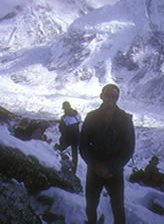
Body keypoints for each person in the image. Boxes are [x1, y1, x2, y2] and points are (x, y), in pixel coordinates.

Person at [80, 84, 135, 224]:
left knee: (118, 208)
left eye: (114, 96)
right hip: (94, 170)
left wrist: (110, 167)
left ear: (117, 98)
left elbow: (128, 148)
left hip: (114, 171)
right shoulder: (91, 117)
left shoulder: (124, 119)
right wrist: (96, 165)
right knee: (91, 206)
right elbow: (84, 145)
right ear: (101, 96)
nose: (111, 98)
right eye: (108, 95)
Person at [57, 101, 81, 174]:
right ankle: (73, 172)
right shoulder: (77, 114)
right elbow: (79, 123)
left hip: (67, 138)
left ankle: (58, 167)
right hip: (76, 137)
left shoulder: (64, 118)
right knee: (75, 157)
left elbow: (61, 129)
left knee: (58, 151)